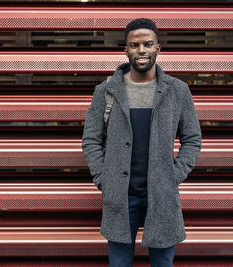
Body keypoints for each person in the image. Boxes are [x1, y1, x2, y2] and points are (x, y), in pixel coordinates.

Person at [82, 18, 202, 267]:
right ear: (125, 50)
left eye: (148, 44)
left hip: (162, 193)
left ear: (158, 48)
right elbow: (91, 140)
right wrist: (103, 178)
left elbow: (192, 138)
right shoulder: (106, 91)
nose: (141, 51)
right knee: (119, 264)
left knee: (163, 264)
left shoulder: (177, 91)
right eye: (134, 45)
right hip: (120, 195)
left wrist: (174, 174)